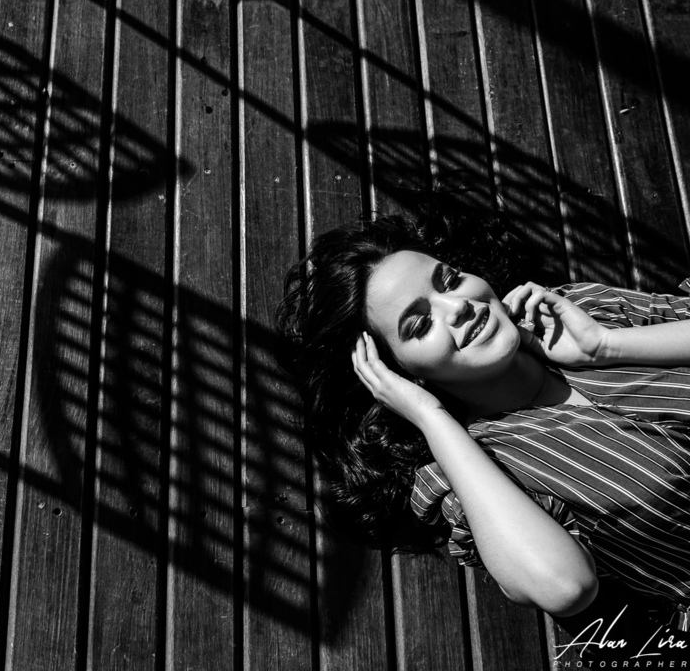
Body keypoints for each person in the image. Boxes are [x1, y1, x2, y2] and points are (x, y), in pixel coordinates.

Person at [278, 210, 690, 658]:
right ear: (402, 375)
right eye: (420, 325)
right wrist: (431, 417)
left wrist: (605, 346)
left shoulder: (578, 313)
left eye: (450, 281)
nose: (458, 307)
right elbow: (564, 587)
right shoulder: (475, 470)